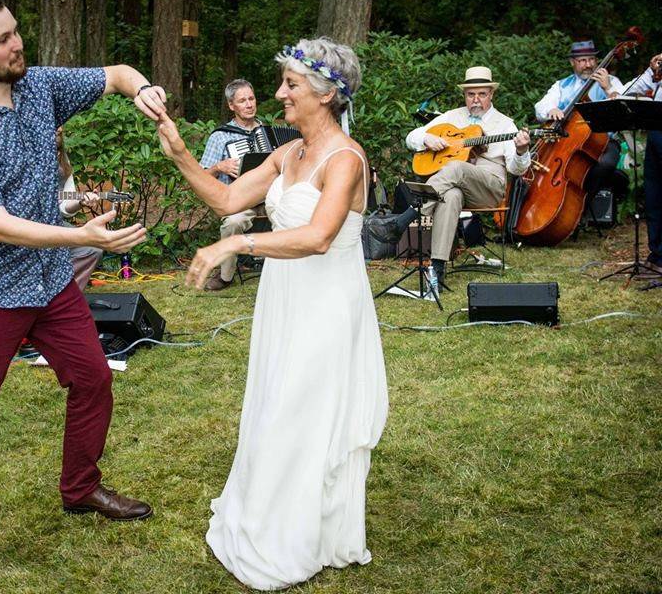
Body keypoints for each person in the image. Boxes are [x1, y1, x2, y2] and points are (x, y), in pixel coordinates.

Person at [0, 0, 165, 579]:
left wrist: (142, 88)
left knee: (92, 379)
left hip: (49, 285)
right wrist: (77, 236)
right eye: (0, 40)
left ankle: (81, 488)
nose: (17, 45)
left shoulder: (38, 85)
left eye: (16, 32)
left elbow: (117, 75)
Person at [157, 37, 388, 590]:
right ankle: (268, 515)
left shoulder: (347, 159)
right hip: (284, 299)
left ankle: (300, 535)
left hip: (327, 304)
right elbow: (227, 201)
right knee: (275, 402)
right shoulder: (289, 153)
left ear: (326, 95)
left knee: (302, 411)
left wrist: (235, 247)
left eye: (291, 85)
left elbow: (317, 236)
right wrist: (182, 155)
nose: (279, 93)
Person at [400, 66, 532, 290]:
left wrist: (521, 151)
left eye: (481, 94)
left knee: (456, 168)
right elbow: (411, 136)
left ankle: (407, 215)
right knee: (450, 195)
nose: (476, 100)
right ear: (465, 96)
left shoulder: (505, 124)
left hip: (489, 187)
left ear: (491, 94)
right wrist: (426, 139)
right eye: (471, 94)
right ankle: (438, 269)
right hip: (456, 184)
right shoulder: (452, 116)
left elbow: (516, 169)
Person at [534, 40, 628, 206]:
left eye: (591, 59)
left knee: (605, 164)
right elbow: (540, 107)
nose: (588, 65)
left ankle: (581, 205)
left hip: (603, 142)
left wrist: (607, 88)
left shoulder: (611, 80)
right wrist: (551, 110)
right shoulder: (562, 85)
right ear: (572, 62)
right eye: (582, 60)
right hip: (567, 141)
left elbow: (625, 108)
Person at [197, 79, 262, 290]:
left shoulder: (266, 132)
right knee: (233, 222)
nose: (249, 104)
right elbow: (201, 178)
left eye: (251, 98)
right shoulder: (220, 137)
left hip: (269, 198)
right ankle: (226, 276)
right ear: (231, 106)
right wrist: (219, 167)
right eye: (242, 101)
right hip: (240, 202)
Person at [622, 52, 662, 272]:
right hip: (656, 131)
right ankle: (657, 255)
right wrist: (651, 71)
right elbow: (627, 93)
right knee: (653, 195)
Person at [56, 127, 103, 289]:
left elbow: (64, 206)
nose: (60, 128)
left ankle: (66, 295)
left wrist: (81, 201)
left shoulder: (62, 159)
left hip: (53, 223)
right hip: (22, 224)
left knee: (91, 249)